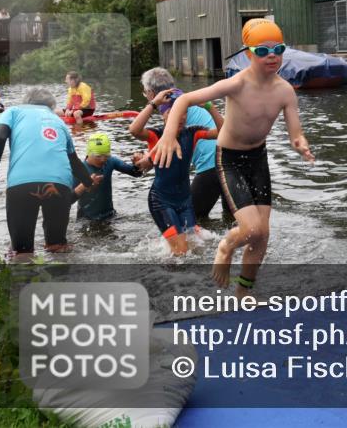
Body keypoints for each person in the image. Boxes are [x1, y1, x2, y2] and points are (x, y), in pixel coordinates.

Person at [152, 19, 315, 295]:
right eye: (263, 51)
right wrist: (168, 135)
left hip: (258, 159)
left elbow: (295, 133)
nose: (272, 56)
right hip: (229, 159)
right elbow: (184, 100)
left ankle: (243, 293)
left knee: (262, 234)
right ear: (249, 54)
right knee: (250, 229)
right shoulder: (236, 84)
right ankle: (226, 246)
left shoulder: (285, 91)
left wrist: (301, 144)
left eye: (278, 49)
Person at [0, 87, 98, 257]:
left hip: (22, 183)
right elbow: (74, 161)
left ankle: (22, 269)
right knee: (57, 248)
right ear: (51, 106)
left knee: (21, 253)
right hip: (59, 184)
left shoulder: (14, 111)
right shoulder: (59, 121)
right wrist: (88, 183)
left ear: (26, 102)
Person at [129, 88, 221, 256]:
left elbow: (223, 131)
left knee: (194, 249)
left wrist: (209, 106)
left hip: (185, 202)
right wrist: (154, 103)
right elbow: (134, 130)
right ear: (163, 115)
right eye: (171, 112)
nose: (180, 116)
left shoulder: (192, 133)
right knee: (181, 252)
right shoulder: (156, 135)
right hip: (162, 201)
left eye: (183, 112)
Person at [139, 67, 226, 220]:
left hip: (211, 164)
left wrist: (149, 160)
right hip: (229, 159)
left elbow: (167, 143)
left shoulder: (172, 108)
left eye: (145, 93)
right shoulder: (185, 99)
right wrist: (150, 158)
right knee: (232, 219)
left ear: (152, 93)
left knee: (190, 219)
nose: (145, 96)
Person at [71, 132, 144, 222]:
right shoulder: (79, 171)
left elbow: (136, 173)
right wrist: (86, 185)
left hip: (110, 216)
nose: (102, 159)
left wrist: (138, 163)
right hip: (87, 220)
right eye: (98, 156)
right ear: (89, 153)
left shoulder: (110, 161)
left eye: (106, 155)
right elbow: (69, 199)